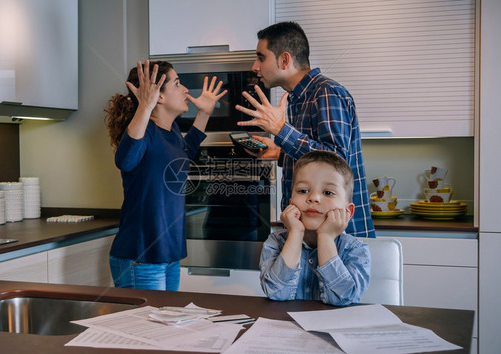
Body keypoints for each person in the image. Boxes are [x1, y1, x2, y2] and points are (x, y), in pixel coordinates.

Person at [235, 21, 375, 238]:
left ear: (285, 59)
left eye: (261, 57)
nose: (255, 66)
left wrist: (281, 130)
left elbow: (337, 161)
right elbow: (316, 157)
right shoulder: (299, 98)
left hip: (339, 237)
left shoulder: (326, 93)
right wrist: (281, 152)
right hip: (312, 235)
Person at [104, 60, 226, 290]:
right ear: (158, 97)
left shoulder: (172, 133)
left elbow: (184, 155)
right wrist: (144, 107)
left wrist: (204, 113)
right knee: (146, 326)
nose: (185, 90)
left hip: (168, 255)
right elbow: (125, 160)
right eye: (178, 84)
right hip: (142, 257)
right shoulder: (144, 132)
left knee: (167, 324)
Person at [259, 151, 370, 306]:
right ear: (290, 202)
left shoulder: (356, 250)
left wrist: (326, 237)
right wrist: (295, 233)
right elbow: (276, 293)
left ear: (348, 211)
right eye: (303, 190)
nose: (313, 198)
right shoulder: (275, 242)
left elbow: (343, 298)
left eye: (328, 192)